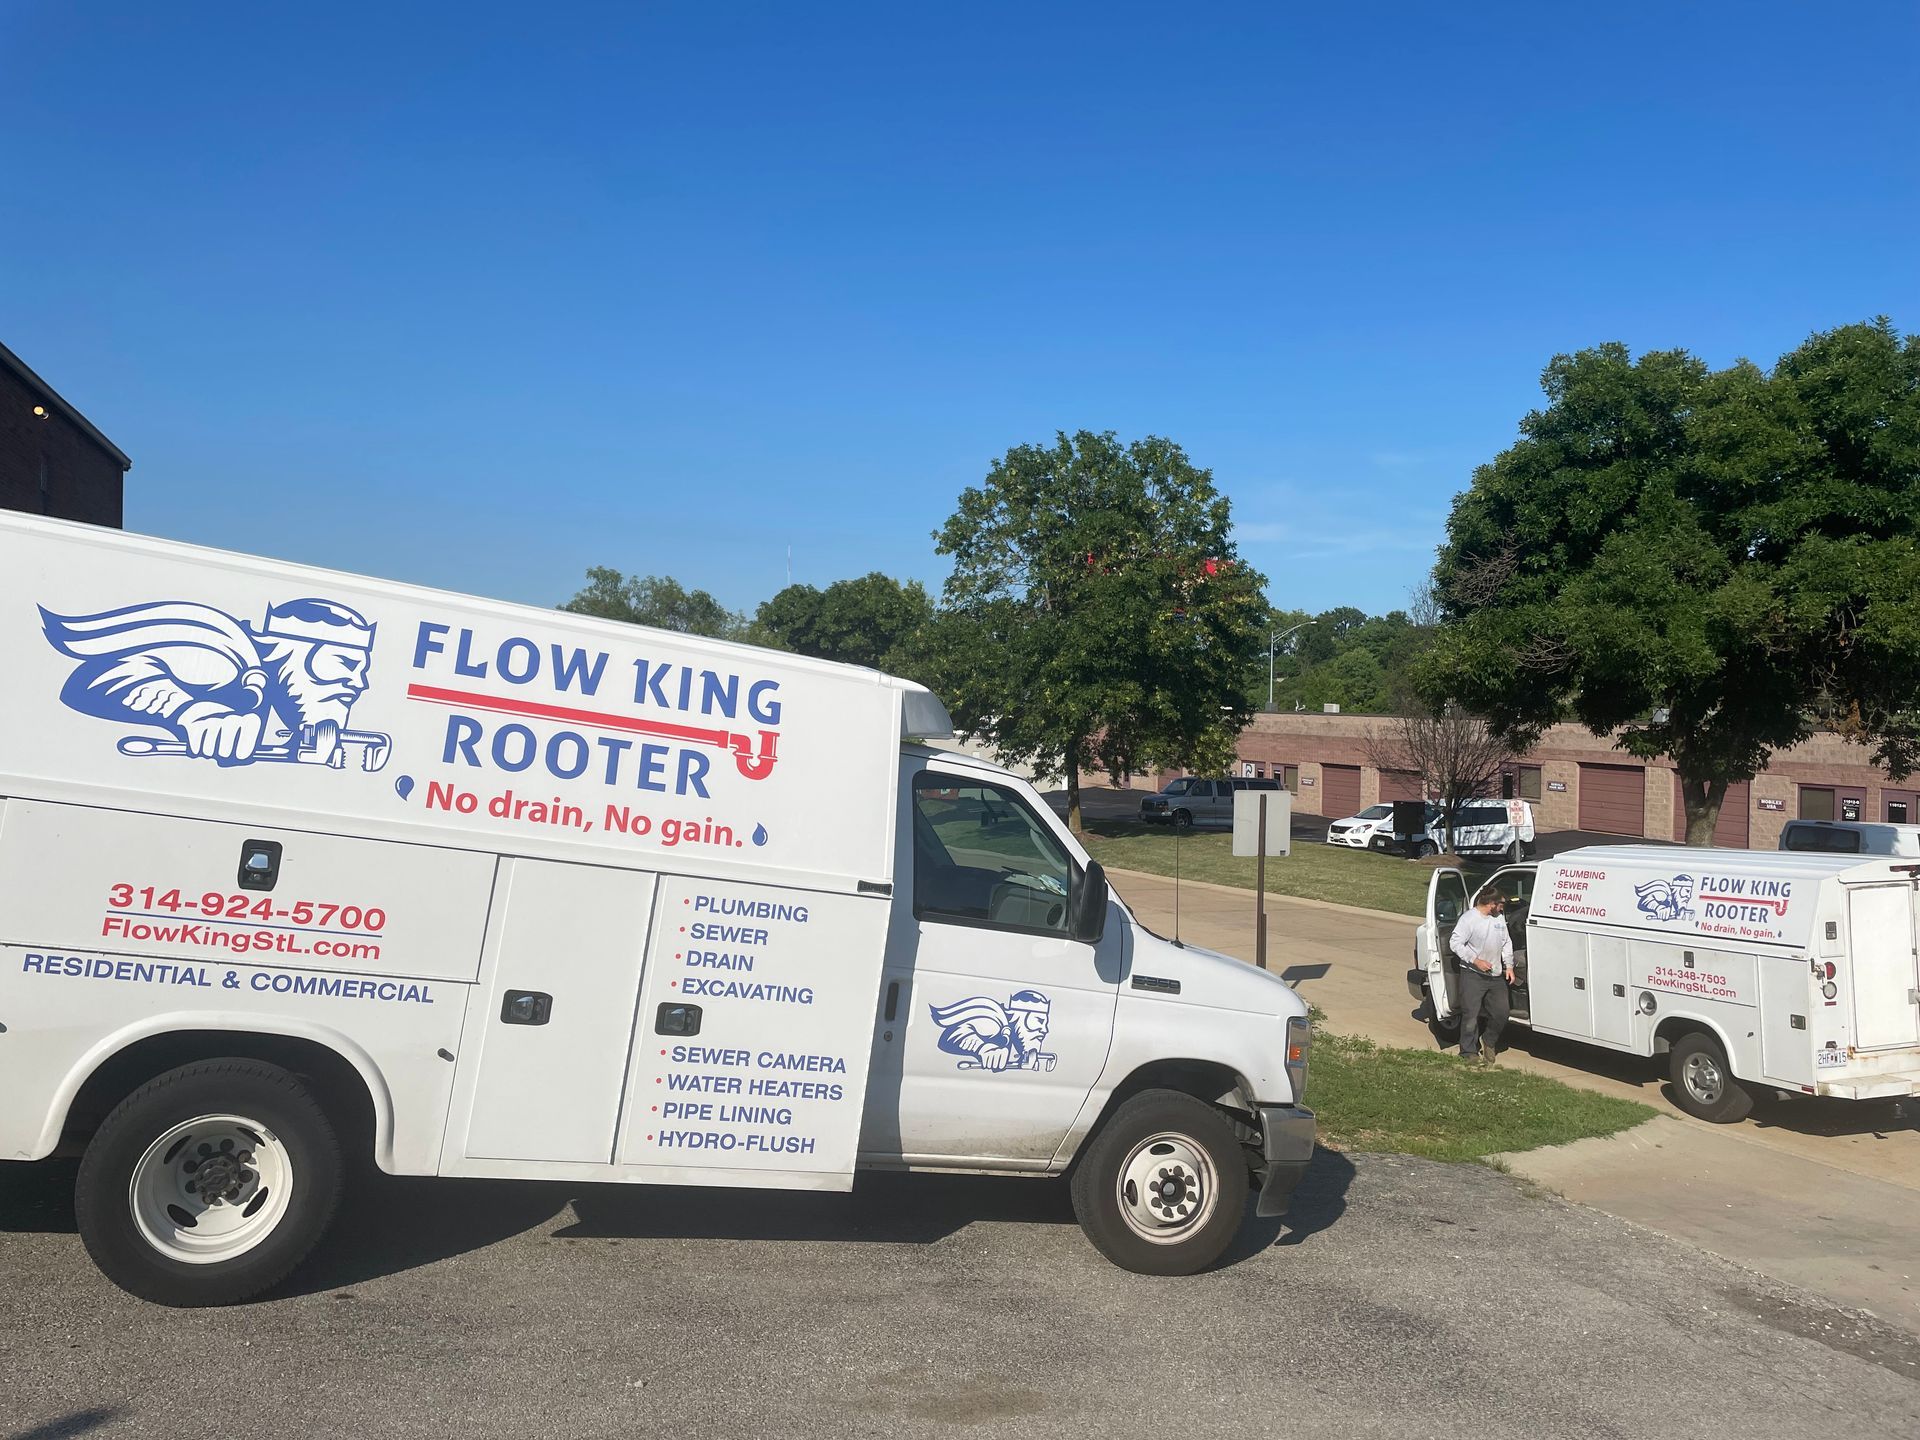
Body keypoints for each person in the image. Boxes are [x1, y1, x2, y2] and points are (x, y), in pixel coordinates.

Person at [1450, 886, 1514, 1064]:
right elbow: (1455, 943)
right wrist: (1475, 960)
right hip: (1473, 975)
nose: (1502, 908)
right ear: (1491, 903)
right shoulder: (1469, 919)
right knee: (1471, 1015)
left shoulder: (1498, 918)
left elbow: (1506, 942)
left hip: (1495, 975)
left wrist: (1509, 966)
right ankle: (1468, 1051)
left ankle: (1489, 1040)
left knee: (1501, 1013)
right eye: (1501, 904)